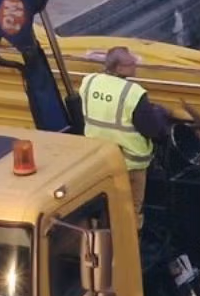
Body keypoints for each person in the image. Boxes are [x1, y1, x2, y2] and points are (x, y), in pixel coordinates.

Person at [75, 45, 175, 227]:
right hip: (130, 164)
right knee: (131, 211)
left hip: (100, 160)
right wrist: (162, 121)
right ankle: (131, 250)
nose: (135, 66)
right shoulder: (133, 92)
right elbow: (151, 129)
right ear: (119, 68)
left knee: (106, 208)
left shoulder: (89, 82)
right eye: (131, 63)